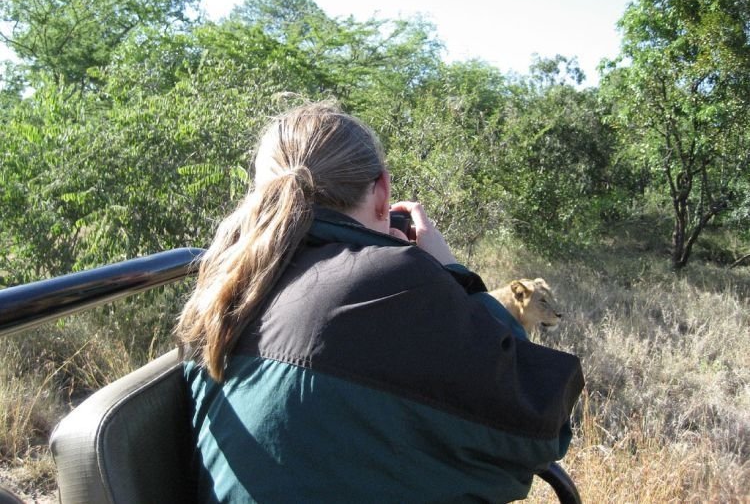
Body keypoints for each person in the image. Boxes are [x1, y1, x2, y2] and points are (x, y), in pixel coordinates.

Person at [176, 101, 584, 503]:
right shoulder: (399, 277)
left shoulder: (223, 290)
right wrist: (452, 272)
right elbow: (539, 427)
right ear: (382, 193)